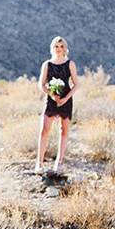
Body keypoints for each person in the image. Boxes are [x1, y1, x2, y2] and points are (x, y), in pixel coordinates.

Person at [36, 36, 79, 173]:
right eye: (56, 46)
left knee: (64, 131)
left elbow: (76, 84)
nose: (59, 49)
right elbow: (41, 84)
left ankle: (59, 162)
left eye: (61, 46)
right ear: (52, 48)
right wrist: (52, 95)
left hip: (66, 100)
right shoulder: (47, 64)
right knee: (44, 130)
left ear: (65, 48)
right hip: (51, 100)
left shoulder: (70, 64)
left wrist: (66, 98)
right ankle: (39, 163)